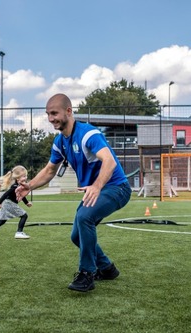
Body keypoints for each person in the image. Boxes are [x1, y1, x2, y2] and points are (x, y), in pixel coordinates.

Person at [16, 93, 132, 292]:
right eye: (48, 114)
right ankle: (107, 268)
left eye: (54, 113)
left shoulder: (88, 134)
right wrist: (30, 186)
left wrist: (96, 186)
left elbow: (110, 161)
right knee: (76, 237)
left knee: (85, 217)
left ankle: (87, 273)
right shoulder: (60, 142)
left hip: (116, 188)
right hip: (96, 191)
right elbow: (50, 169)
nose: (51, 118)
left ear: (68, 111)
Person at [0, 165, 33, 244]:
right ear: (18, 178)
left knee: (2, 221)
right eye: (24, 176)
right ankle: (19, 232)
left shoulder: (19, 186)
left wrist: (27, 203)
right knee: (24, 215)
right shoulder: (15, 186)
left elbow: (22, 196)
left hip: (7, 204)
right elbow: (5, 194)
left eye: (26, 176)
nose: (26, 177)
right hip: (9, 203)